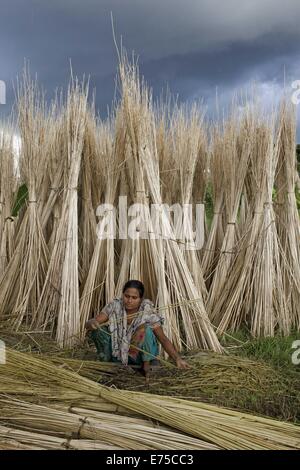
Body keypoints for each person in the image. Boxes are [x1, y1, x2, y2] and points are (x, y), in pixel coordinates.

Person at [86, 279, 189, 382]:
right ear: (123, 295)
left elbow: (163, 338)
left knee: (146, 329)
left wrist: (177, 358)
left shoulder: (147, 312)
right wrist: (91, 323)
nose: (129, 301)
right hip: (118, 353)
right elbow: (94, 321)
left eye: (134, 298)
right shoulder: (115, 306)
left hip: (137, 356)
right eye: (127, 296)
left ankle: (146, 366)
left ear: (140, 299)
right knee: (98, 330)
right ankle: (107, 363)